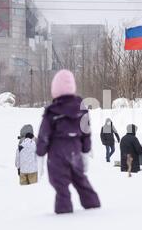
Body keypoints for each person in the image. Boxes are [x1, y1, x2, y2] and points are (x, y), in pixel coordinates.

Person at [36, 69, 101, 214]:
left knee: (60, 183)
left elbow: (44, 135)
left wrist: (40, 153)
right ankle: (92, 204)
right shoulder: (82, 109)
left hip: (56, 153)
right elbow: (86, 132)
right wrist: (85, 151)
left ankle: (64, 210)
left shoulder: (52, 112)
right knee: (80, 178)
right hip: (75, 149)